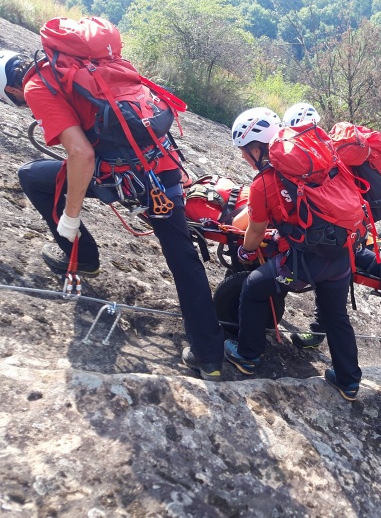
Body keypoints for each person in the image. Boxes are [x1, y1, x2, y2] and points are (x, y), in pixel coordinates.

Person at [3, 36, 224, 381]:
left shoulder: (37, 85)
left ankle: (84, 258)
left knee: (32, 176)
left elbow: (82, 155)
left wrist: (71, 217)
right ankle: (209, 357)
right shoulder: (86, 65)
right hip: (161, 166)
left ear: (12, 91)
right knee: (182, 256)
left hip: (125, 176)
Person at [226, 107, 363, 401]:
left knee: (253, 287)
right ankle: (348, 380)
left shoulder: (264, 182)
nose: (242, 157)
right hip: (341, 256)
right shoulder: (323, 161)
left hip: (306, 265)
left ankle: (247, 356)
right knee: (336, 315)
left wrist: (246, 253)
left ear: (256, 148)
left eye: (243, 151)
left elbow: (255, 231)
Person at [281, 102, 381, 349]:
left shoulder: (323, 152)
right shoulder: (327, 146)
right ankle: (319, 330)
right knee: (347, 256)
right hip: (358, 210)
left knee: (348, 256)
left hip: (351, 213)